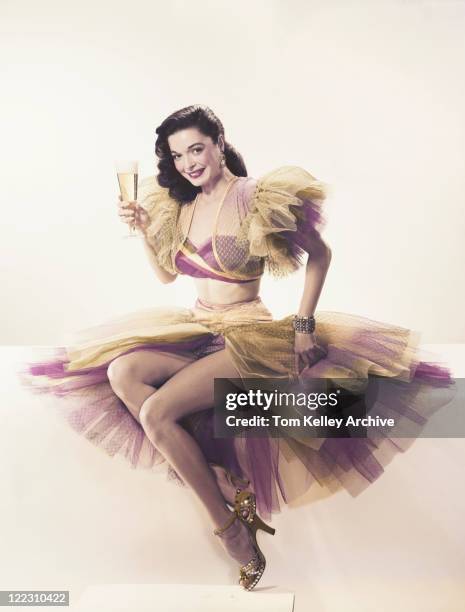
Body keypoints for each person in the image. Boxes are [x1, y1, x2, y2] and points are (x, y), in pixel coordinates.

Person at [19, 104, 454, 591]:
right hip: (197, 328)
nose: (188, 162)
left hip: (249, 338)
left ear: (220, 143)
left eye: (197, 148)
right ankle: (222, 480)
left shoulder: (256, 197)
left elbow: (321, 254)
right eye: (178, 154)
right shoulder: (179, 205)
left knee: (158, 412)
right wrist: (144, 228)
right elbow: (167, 275)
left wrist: (305, 323)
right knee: (122, 373)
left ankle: (231, 533)